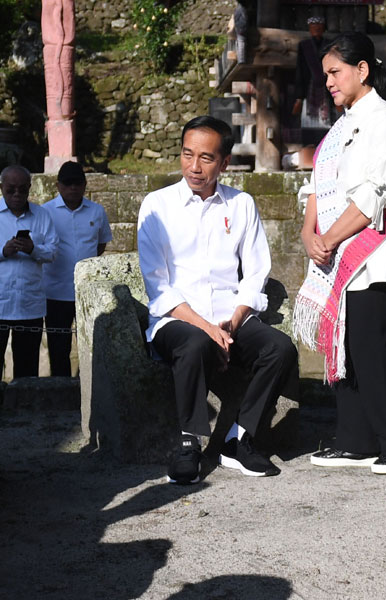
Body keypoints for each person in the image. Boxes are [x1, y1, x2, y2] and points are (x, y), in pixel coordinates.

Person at [293, 32, 386, 475]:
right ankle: (355, 439)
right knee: (345, 344)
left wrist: (328, 238)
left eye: (335, 72)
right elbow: (318, 184)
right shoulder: (341, 125)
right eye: (326, 74)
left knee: (370, 347)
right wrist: (307, 230)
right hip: (338, 249)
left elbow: (377, 193)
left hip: (373, 252)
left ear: (362, 70)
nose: (328, 81)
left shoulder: (383, 119)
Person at [137, 115, 298, 485]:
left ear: (224, 163)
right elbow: (158, 285)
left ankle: (240, 438)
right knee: (192, 342)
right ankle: (188, 442)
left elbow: (256, 271)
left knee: (280, 348)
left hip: (231, 318)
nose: (194, 167)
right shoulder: (157, 206)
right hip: (177, 321)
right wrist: (208, 329)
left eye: (206, 158)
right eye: (187, 154)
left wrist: (235, 320)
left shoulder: (240, 205)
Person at [42, 161, 112, 377]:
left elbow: (101, 244)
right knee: (58, 346)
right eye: (68, 183)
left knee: (91, 345)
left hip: (87, 292)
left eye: (77, 183)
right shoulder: (46, 212)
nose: (73, 188)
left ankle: (90, 387)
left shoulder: (96, 211)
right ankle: (61, 388)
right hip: (55, 291)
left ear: (84, 184)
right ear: (58, 185)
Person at [0, 165, 58, 379]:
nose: (17, 194)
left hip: (29, 305)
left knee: (27, 369)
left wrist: (33, 249)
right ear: (1, 188)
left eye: (22, 189)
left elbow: (52, 252)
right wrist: (3, 251)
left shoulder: (42, 215)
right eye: (11, 189)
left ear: (29, 188)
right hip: (1, 302)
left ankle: (24, 409)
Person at [292, 16, 336, 138]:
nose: (316, 29)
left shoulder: (329, 45)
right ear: (309, 29)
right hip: (308, 90)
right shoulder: (304, 45)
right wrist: (299, 96)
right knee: (309, 127)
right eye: (313, 27)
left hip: (326, 90)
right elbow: (300, 70)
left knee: (327, 127)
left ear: (323, 28)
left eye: (319, 27)